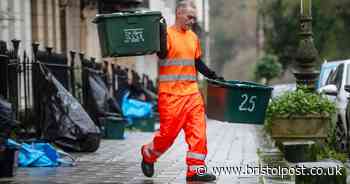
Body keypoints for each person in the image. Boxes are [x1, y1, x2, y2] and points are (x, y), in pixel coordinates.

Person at [140, 0, 223, 182]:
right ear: (178, 13)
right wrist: (160, 36)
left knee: (199, 135)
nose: (192, 21)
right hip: (171, 96)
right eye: (189, 17)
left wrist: (212, 75)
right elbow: (161, 54)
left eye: (194, 18)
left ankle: (195, 172)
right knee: (167, 137)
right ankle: (148, 153)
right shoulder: (167, 35)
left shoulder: (193, 37)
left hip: (192, 94)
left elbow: (197, 62)